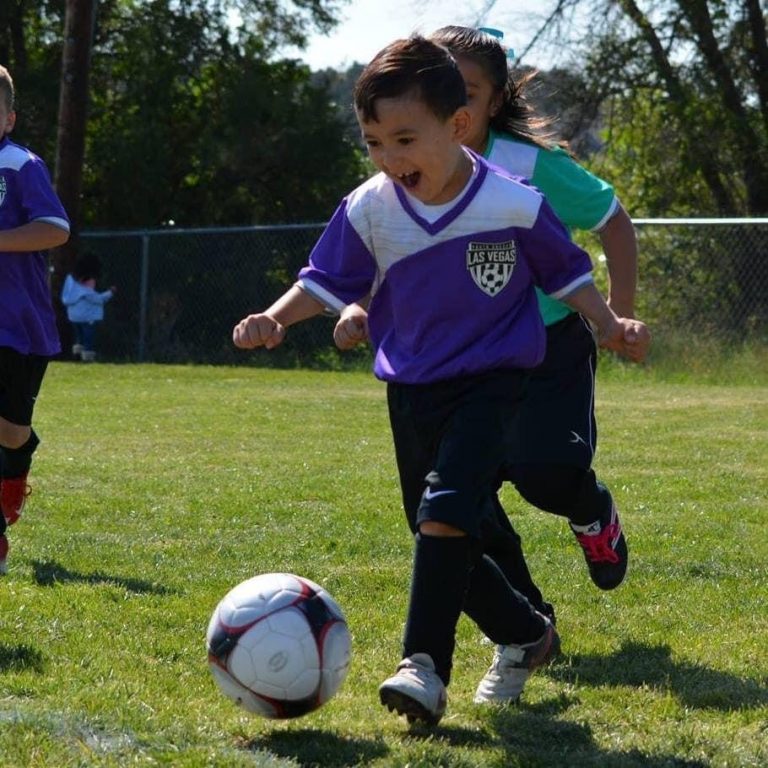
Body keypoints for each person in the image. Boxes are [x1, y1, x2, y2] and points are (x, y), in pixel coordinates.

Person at [233, 36, 648, 725]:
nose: (390, 160)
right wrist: (275, 319)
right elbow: (325, 278)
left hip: (494, 381)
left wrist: (609, 323)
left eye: (404, 139)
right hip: (413, 388)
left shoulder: (511, 201)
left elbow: (566, 270)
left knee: (447, 508)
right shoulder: (371, 206)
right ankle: (525, 634)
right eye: (373, 143)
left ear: (457, 127)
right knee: (436, 526)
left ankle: (422, 666)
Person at [335, 26, 648, 622]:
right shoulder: (401, 174)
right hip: (458, 356)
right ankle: (526, 618)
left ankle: (590, 509)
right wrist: (359, 307)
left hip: (548, 346)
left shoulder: (529, 167)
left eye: (468, 90)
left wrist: (619, 314)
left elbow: (613, 220)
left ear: (491, 101)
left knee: (544, 473)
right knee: (459, 497)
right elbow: (383, 252)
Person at [0, 64, 70, 575]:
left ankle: (17, 468)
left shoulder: (20, 166)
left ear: (8, 119)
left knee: (10, 432)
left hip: (17, 326)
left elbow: (55, 228)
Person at [61, 254, 116, 362]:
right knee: (88, 337)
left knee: (79, 337)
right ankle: (88, 357)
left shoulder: (71, 285)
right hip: (87, 318)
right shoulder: (86, 292)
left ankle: (77, 354)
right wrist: (111, 292)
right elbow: (99, 299)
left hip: (74, 317)